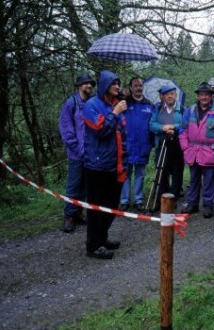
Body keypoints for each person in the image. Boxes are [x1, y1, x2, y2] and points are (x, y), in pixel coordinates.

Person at [82, 70, 127, 259]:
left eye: (118, 83)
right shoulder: (91, 105)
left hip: (115, 164)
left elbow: (122, 131)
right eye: (113, 83)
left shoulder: (115, 103)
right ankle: (93, 245)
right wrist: (114, 113)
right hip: (96, 166)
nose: (117, 86)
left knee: (112, 205)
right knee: (96, 208)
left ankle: (103, 237)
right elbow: (100, 130)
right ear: (104, 86)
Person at [179, 82, 214, 218]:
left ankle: (208, 205)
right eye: (201, 94)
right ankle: (192, 204)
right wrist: (185, 147)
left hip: (209, 151)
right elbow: (182, 130)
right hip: (192, 151)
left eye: (206, 95)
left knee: (208, 180)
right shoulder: (190, 110)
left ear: (211, 96)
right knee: (193, 179)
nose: (203, 97)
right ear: (198, 96)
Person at [59, 73, 95, 233]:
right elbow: (67, 131)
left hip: (91, 154)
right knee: (73, 186)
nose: (89, 86)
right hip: (76, 155)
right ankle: (68, 217)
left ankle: (78, 213)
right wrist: (79, 150)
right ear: (79, 85)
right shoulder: (70, 103)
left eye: (91, 84)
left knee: (86, 187)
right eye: (86, 83)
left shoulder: (92, 103)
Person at [119, 77, 154, 212]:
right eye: (135, 86)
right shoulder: (124, 103)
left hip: (143, 145)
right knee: (125, 173)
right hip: (127, 144)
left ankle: (138, 200)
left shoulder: (149, 105)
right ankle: (124, 200)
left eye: (140, 85)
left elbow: (151, 125)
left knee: (140, 173)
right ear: (131, 87)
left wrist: (151, 143)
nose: (138, 88)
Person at [148, 85, 185, 209]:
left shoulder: (182, 109)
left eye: (172, 94)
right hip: (162, 144)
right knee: (161, 172)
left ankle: (173, 199)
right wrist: (162, 128)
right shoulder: (158, 109)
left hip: (177, 145)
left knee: (176, 173)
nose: (170, 96)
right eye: (167, 94)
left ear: (176, 95)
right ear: (163, 96)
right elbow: (152, 124)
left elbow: (185, 124)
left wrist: (173, 127)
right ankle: (161, 198)